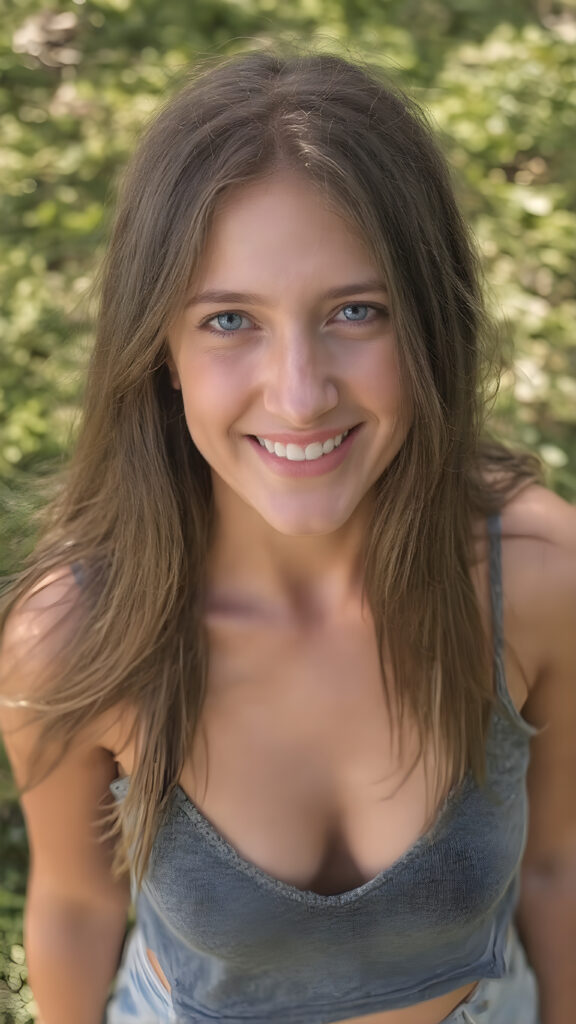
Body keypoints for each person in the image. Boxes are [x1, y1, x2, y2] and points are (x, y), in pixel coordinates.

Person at [1, 47, 575, 1024]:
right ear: (162, 353)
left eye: (357, 310)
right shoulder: (73, 639)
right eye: (230, 320)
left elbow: (559, 867)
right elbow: (73, 903)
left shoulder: (535, 576)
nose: (301, 395)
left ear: (431, 324)